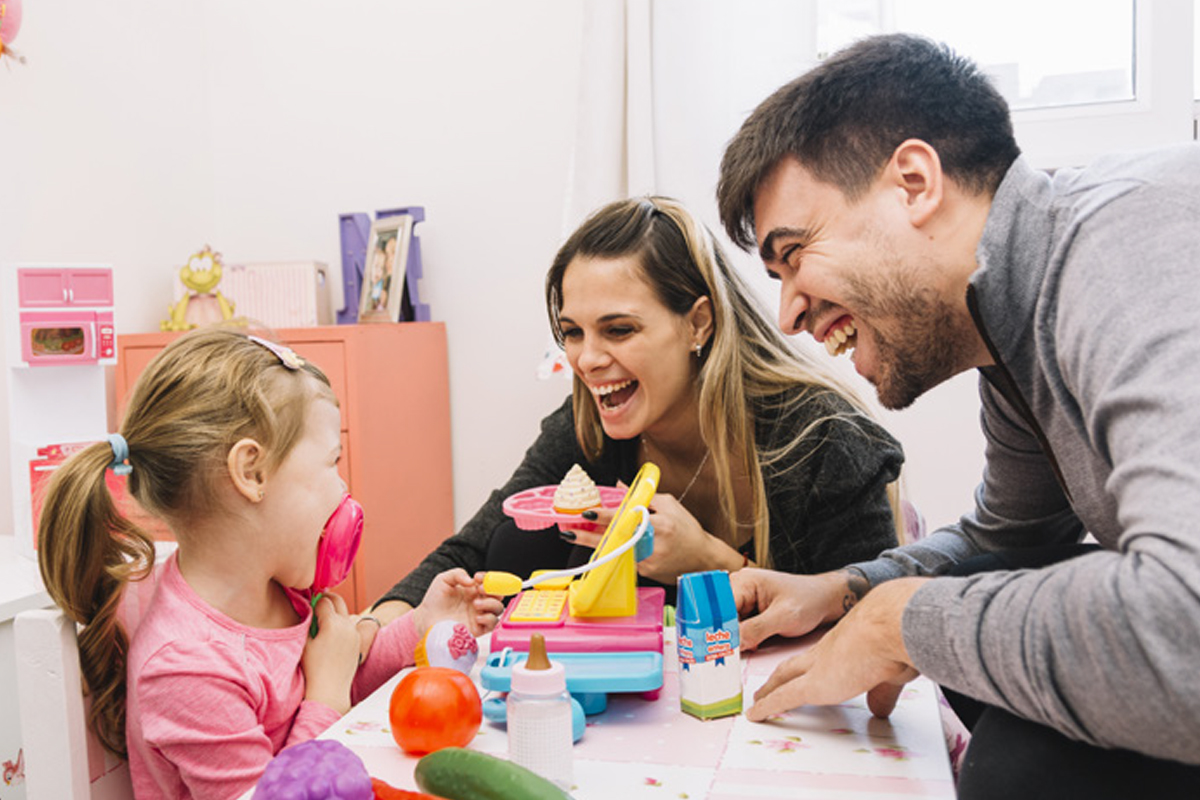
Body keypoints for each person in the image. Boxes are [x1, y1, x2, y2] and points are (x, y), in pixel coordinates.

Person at [716, 32, 1200, 798]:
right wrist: (848, 590)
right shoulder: (1004, 327)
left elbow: (1186, 627)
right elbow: (1008, 540)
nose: (788, 314)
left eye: (796, 251)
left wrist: (903, 619)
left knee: (1018, 761)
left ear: (914, 182)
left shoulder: (1120, 250)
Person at [371, 195, 904, 626]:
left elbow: (876, 629)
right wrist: (378, 627)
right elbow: (471, 551)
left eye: (619, 329)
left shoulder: (825, 440)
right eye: (572, 332)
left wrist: (712, 565)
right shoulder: (587, 431)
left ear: (699, 323)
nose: (587, 359)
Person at [36, 328, 500, 799]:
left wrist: (423, 622)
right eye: (331, 463)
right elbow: (276, 787)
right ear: (252, 473)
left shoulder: (278, 590)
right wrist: (326, 697)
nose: (343, 489)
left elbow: (343, 667)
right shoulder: (186, 666)